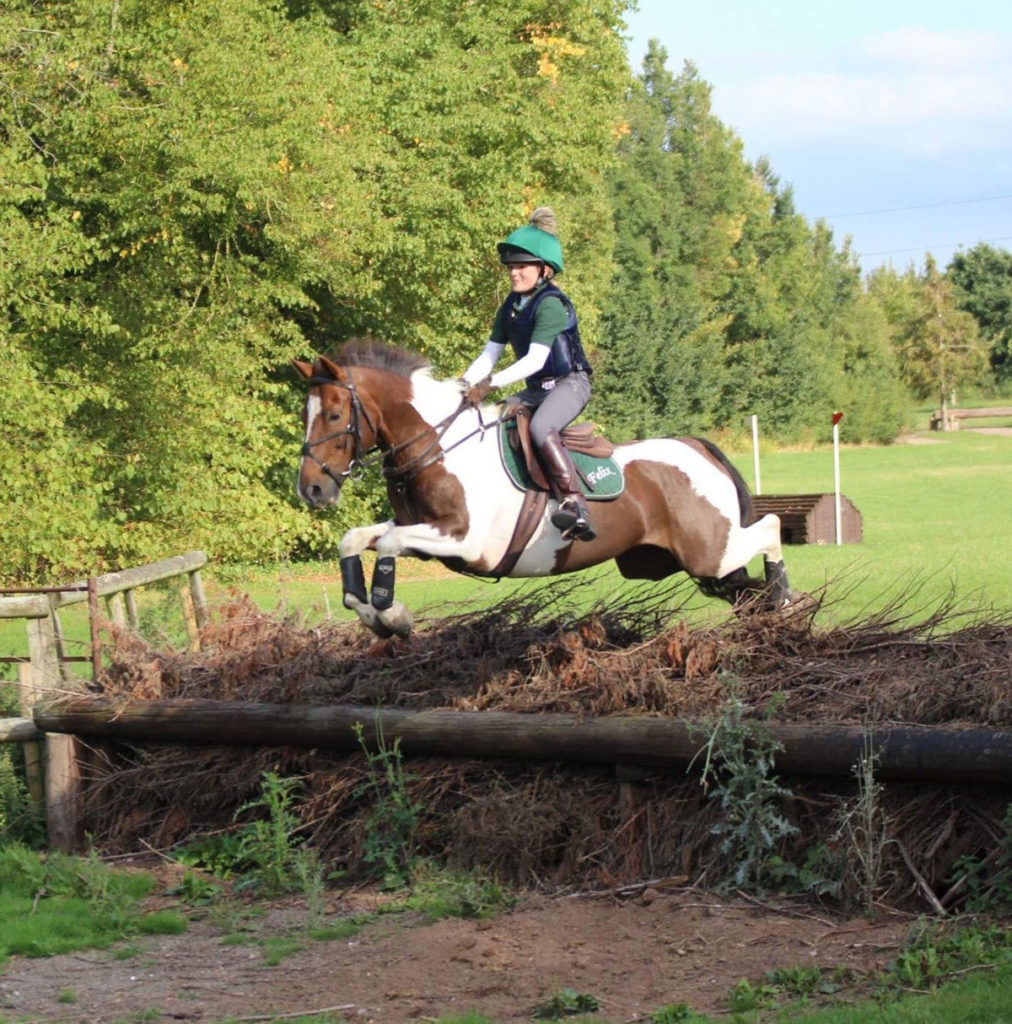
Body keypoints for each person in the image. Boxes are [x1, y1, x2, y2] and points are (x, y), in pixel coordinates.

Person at [462, 207, 595, 542]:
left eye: (521, 266)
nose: (514, 273)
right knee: (493, 420)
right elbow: (490, 353)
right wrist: (463, 384)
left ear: (544, 269)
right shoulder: (510, 306)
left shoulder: (551, 304)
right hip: (537, 389)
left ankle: (575, 503)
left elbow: (536, 359)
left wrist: (489, 384)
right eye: (511, 266)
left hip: (570, 384)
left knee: (540, 427)